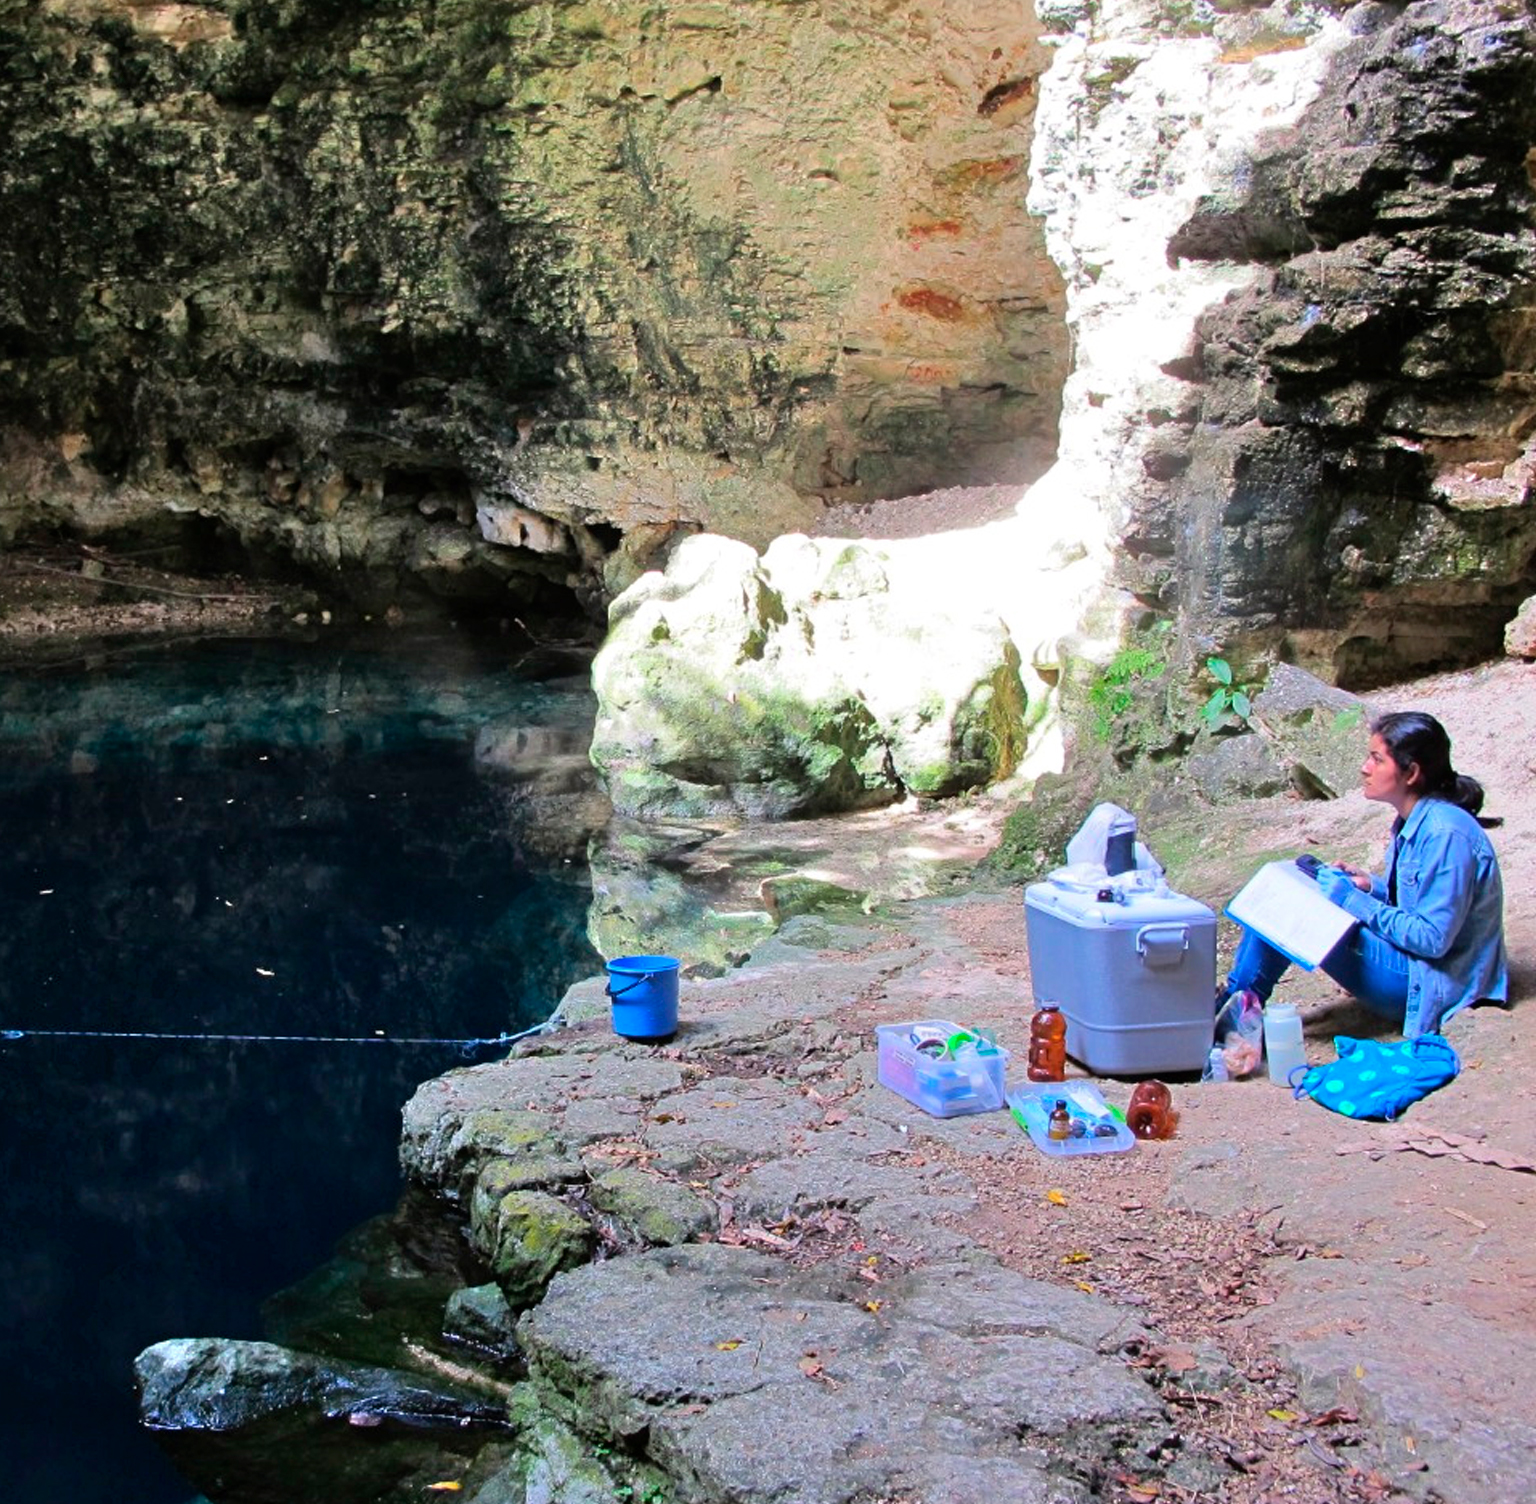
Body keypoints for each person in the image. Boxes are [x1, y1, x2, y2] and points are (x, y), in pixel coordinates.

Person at [1219, 711, 1508, 1039]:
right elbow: (1420, 902)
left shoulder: (1445, 834)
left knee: (1287, 907)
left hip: (1432, 981)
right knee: (1283, 895)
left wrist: (1351, 901)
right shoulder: (1415, 820)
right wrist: (1372, 887)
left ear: (1411, 772)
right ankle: (1235, 1005)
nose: (1365, 768)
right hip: (1415, 964)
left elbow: (1432, 939)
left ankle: (1234, 1016)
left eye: (1376, 759)